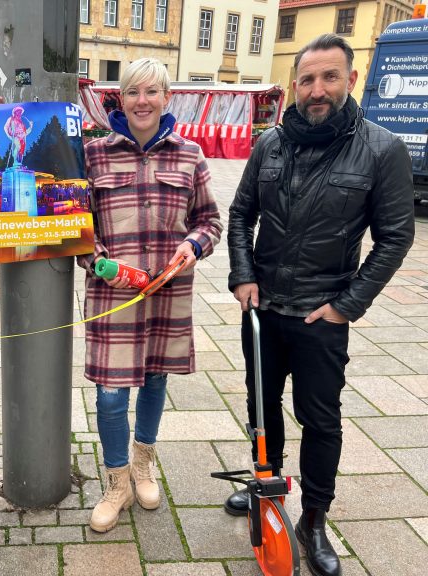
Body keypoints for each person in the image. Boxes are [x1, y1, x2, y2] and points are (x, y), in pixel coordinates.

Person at [226, 34, 415, 576]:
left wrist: (347, 305)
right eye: (307, 79)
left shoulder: (381, 149)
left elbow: (396, 237)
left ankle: (313, 517)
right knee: (262, 408)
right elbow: (241, 215)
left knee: (320, 419)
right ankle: (269, 487)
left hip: (321, 313)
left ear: (350, 80)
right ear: (295, 85)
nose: (317, 89)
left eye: (329, 77)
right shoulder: (271, 143)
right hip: (263, 308)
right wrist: (243, 276)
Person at [78, 58, 222, 533]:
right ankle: (117, 481)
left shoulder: (190, 155)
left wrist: (192, 245)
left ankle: (144, 464)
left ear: (166, 98)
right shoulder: (94, 155)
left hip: (167, 293)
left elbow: (210, 222)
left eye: (152, 92)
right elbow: (78, 229)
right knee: (111, 396)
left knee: (156, 381)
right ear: (119, 99)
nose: (143, 101)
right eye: (133, 92)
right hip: (113, 297)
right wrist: (99, 261)